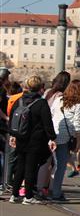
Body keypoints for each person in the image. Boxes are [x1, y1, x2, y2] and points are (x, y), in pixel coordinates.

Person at [8, 76, 56, 204]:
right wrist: (52, 138)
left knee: (20, 166)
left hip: (20, 138)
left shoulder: (20, 100)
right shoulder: (41, 103)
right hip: (35, 140)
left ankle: (14, 195)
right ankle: (28, 197)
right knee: (31, 168)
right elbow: (47, 123)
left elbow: (13, 118)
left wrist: (12, 135)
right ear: (40, 88)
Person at [50, 79, 80, 201]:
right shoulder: (78, 104)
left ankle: (45, 188)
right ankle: (56, 193)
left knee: (49, 164)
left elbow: (52, 114)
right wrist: (78, 141)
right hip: (65, 137)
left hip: (52, 134)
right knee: (61, 166)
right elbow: (77, 125)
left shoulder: (58, 100)